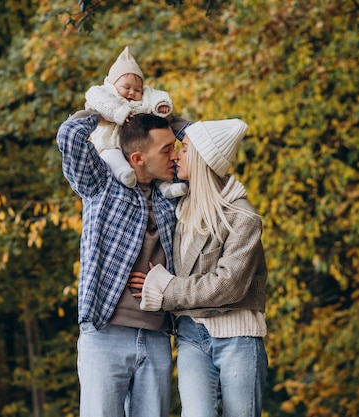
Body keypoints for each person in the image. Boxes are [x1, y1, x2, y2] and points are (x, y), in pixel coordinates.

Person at [134, 119, 268, 417]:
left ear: (204, 159)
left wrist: (165, 290)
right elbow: (143, 147)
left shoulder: (244, 219)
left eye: (185, 149)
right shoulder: (178, 208)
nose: (176, 155)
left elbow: (227, 285)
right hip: (191, 334)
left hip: (238, 337)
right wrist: (151, 112)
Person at [56, 111, 179, 417]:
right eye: (166, 150)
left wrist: (162, 112)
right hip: (105, 332)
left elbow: (203, 143)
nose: (174, 155)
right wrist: (109, 109)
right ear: (138, 158)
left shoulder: (173, 196)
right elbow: (70, 136)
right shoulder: (102, 186)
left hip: (156, 337)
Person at [85, 46, 189, 198]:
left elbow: (157, 96)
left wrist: (161, 106)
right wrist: (119, 112)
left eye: (137, 89)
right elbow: (95, 97)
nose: (132, 92)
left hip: (137, 145)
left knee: (156, 167)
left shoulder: (144, 99)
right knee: (112, 157)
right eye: (126, 87)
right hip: (110, 144)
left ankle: (165, 187)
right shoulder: (107, 94)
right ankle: (123, 173)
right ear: (112, 85)